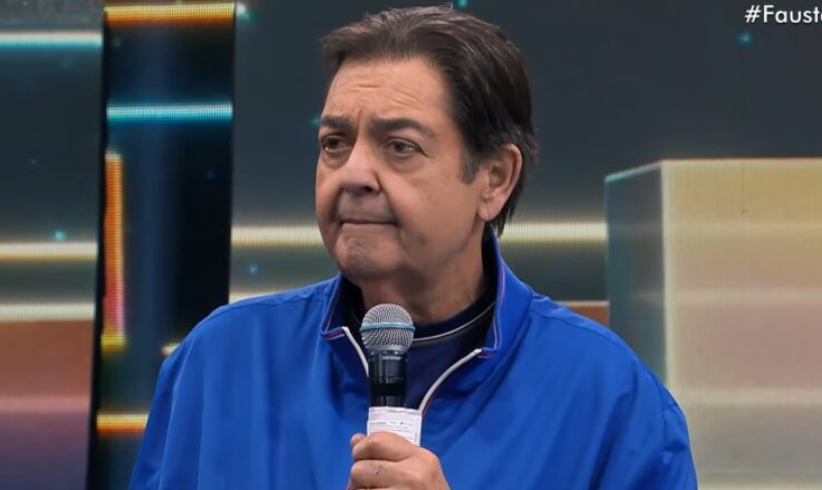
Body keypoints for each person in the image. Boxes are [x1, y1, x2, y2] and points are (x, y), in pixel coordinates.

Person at [129, 5, 697, 490]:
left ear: (494, 179)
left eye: (400, 146)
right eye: (334, 143)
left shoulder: (608, 396)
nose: (354, 174)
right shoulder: (220, 362)